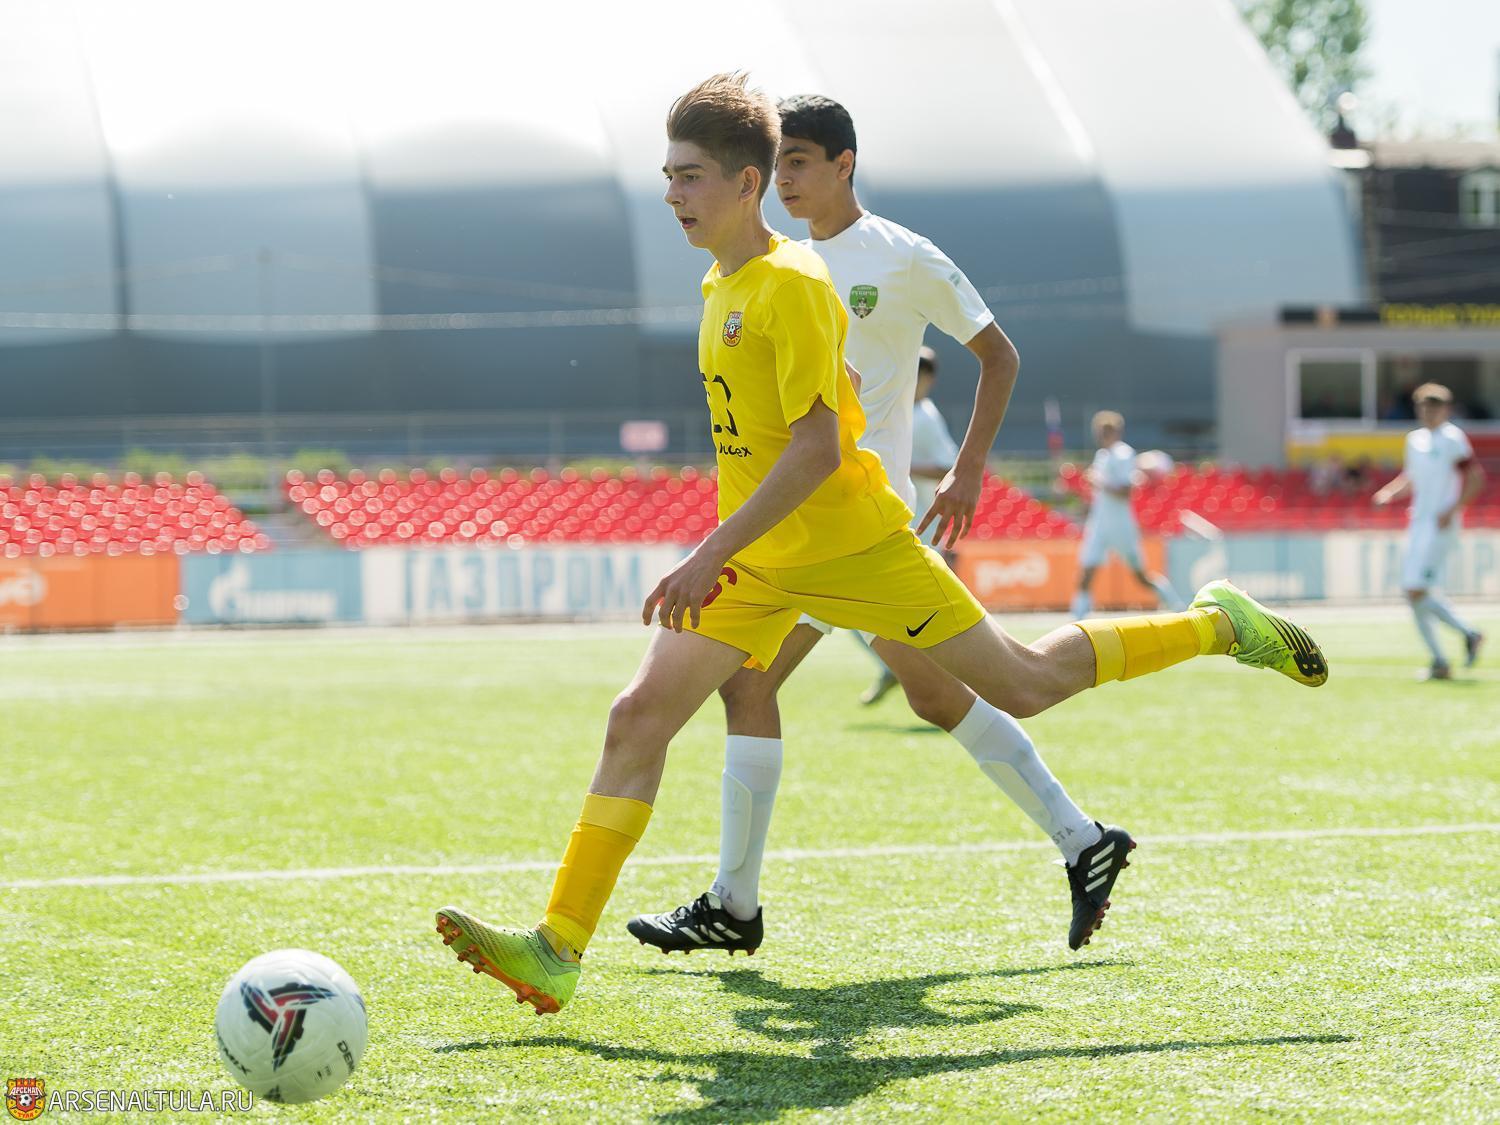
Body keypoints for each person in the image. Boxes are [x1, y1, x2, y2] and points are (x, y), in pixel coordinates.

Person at [433, 73, 1328, 1015]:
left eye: (689, 177)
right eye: (667, 176)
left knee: (1023, 680)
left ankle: (1217, 626)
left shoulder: (795, 284)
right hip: (765, 559)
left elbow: (819, 447)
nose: (671, 195)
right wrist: (740, 536)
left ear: (743, 183)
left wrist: (710, 549)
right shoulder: (723, 280)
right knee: (639, 715)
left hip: (856, 547)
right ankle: (560, 947)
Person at [860, 345, 960, 704]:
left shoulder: (926, 417)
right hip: (889, 520)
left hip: (919, 524)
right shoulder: (894, 409)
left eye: (920, 375)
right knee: (857, 608)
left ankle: (945, 685)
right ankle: (898, 667)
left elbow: (948, 467)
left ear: (928, 380)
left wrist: (901, 465)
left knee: (921, 611)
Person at [1373, 383, 1485, 679]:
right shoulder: (1415, 440)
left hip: (1440, 524)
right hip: (1418, 523)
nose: (1428, 412)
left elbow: (1476, 478)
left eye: (1434, 407)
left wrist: (1453, 509)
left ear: (1446, 409)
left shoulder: (1453, 438)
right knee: (1414, 593)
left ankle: (1467, 635)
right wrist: (1388, 493)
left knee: (1415, 589)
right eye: (1423, 406)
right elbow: (1410, 478)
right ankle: (1442, 659)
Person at [1069, 412, 1185, 619]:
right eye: (1099, 431)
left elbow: (1125, 491)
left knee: (1140, 577)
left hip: (1121, 525)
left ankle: (1175, 604)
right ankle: (1077, 617)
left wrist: (1099, 482)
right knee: (1087, 570)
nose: (1102, 435)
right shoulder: (1101, 456)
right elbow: (1099, 494)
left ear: (1117, 432)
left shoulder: (1123, 454)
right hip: (1099, 524)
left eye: (1106, 431)